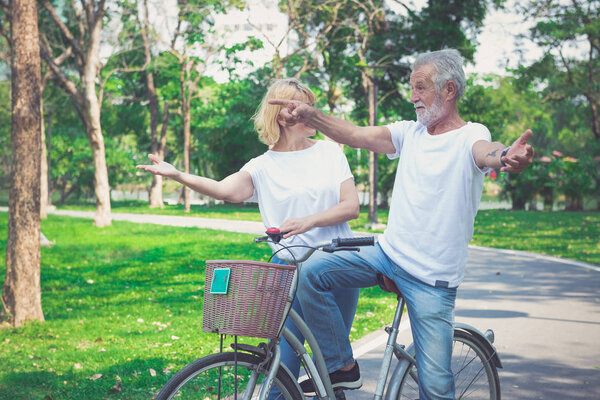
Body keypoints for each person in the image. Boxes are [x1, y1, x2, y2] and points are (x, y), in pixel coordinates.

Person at [270, 49, 534, 399]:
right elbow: (354, 134)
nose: (413, 97)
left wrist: (506, 156)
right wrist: (312, 116)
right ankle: (341, 366)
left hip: (432, 282)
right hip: (387, 255)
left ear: (449, 89)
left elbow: (487, 151)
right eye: (412, 87)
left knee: (437, 389)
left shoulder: (470, 135)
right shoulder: (409, 133)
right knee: (308, 272)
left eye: (421, 88)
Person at [136, 78, 361, 396]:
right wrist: (178, 175)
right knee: (279, 371)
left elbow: (351, 207)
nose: (311, 113)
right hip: (291, 273)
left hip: (335, 269)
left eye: (312, 106)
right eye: (303, 107)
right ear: (282, 116)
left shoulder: (329, 152)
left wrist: (308, 222)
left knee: (329, 372)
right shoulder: (263, 166)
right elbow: (225, 189)